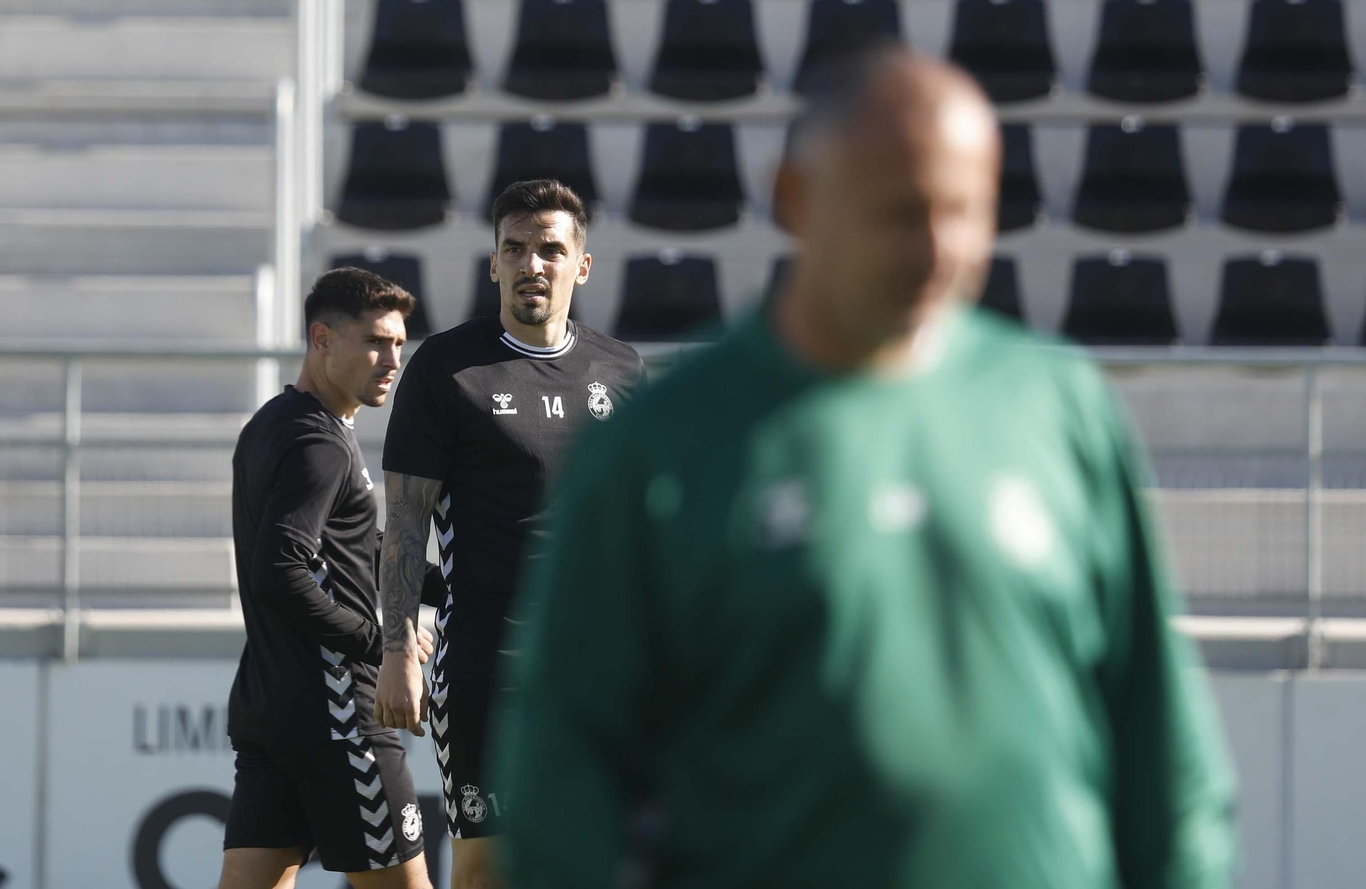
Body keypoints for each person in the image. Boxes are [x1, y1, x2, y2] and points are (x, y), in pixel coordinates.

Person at [494, 49, 1237, 889]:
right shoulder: (660, 446)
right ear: (796, 201)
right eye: (900, 213)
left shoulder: (1061, 407)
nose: (937, 246)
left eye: (965, 210)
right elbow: (564, 779)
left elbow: (1165, 760)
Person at [376, 179, 647, 888]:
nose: (534, 263)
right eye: (516, 249)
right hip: (484, 666)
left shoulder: (623, 371)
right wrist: (399, 650)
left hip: (598, 669)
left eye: (551, 249)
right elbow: (404, 519)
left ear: (581, 265)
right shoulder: (444, 368)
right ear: (493, 264)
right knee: (487, 868)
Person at [223, 268, 433, 889]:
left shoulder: (277, 423)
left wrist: (448, 583)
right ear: (321, 339)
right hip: (337, 714)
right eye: (374, 342)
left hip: (273, 709)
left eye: (399, 344)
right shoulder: (321, 445)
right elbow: (281, 571)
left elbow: (349, 545)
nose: (391, 359)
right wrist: (385, 643)